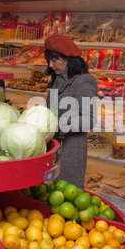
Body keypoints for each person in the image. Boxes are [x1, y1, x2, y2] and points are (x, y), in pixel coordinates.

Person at [44, 34, 98, 189]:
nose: (51, 65)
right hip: (53, 147)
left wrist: (58, 124)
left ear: (69, 59)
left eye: (55, 60)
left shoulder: (83, 81)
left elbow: (90, 119)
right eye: (49, 60)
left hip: (70, 151)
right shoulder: (57, 78)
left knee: (66, 195)